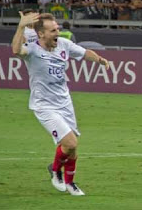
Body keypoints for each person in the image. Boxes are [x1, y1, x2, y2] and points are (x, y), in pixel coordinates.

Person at [11, 12, 109, 196]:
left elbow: (84, 52)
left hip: (64, 102)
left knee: (72, 149)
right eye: (53, 30)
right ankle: (55, 170)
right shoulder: (32, 49)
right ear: (41, 34)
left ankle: (70, 183)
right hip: (44, 106)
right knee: (71, 142)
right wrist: (20, 26)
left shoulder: (63, 44)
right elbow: (16, 50)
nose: (58, 32)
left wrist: (100, 60)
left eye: (58, 29)